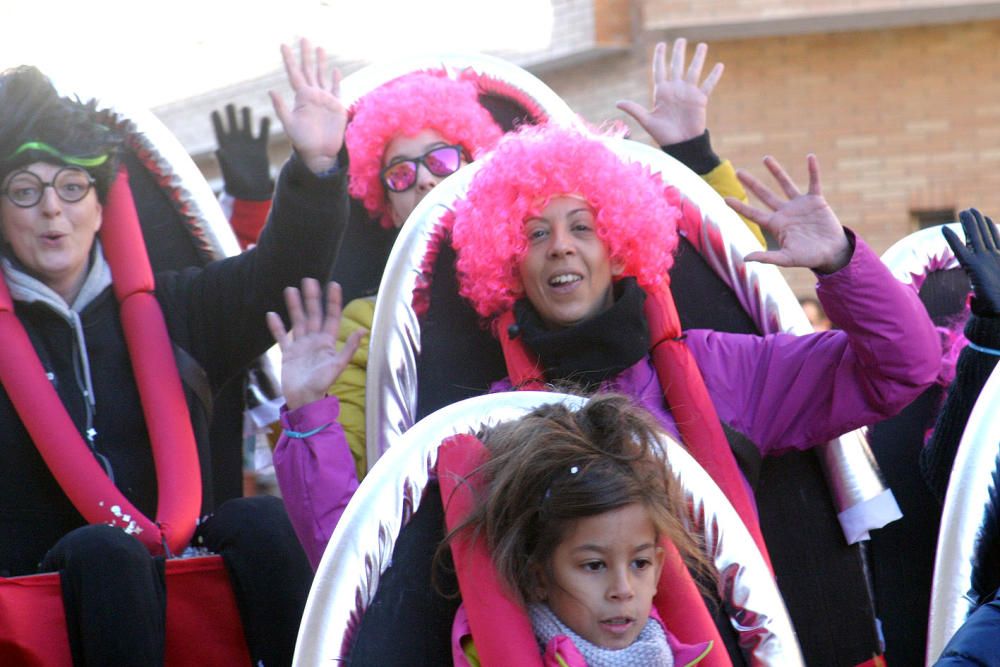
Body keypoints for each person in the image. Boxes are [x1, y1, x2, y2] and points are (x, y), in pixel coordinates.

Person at [0, 38, 348, 666]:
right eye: (25, 190)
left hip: (182, 584)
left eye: (73, 186)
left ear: (101, 203)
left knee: (260, 523)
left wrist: (316, 170)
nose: (53, 208)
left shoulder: (179, 309)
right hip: (41, 609)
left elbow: (281, 276)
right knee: (104, 554)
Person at [446, 123, 939, 561]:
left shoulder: (719, 370)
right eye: (534, 234)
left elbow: (903, 366)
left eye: (582, 227)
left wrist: (839, 261)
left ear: (619, 251)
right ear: (509, 263)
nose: (560, 245)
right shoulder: (495, 422)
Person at [442, 394, 716, 666]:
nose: (623, 589)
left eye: (640, 563)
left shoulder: (672, 655)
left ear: (658, 569)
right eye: (595, 565)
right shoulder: (488, 654)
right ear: (537, 577)